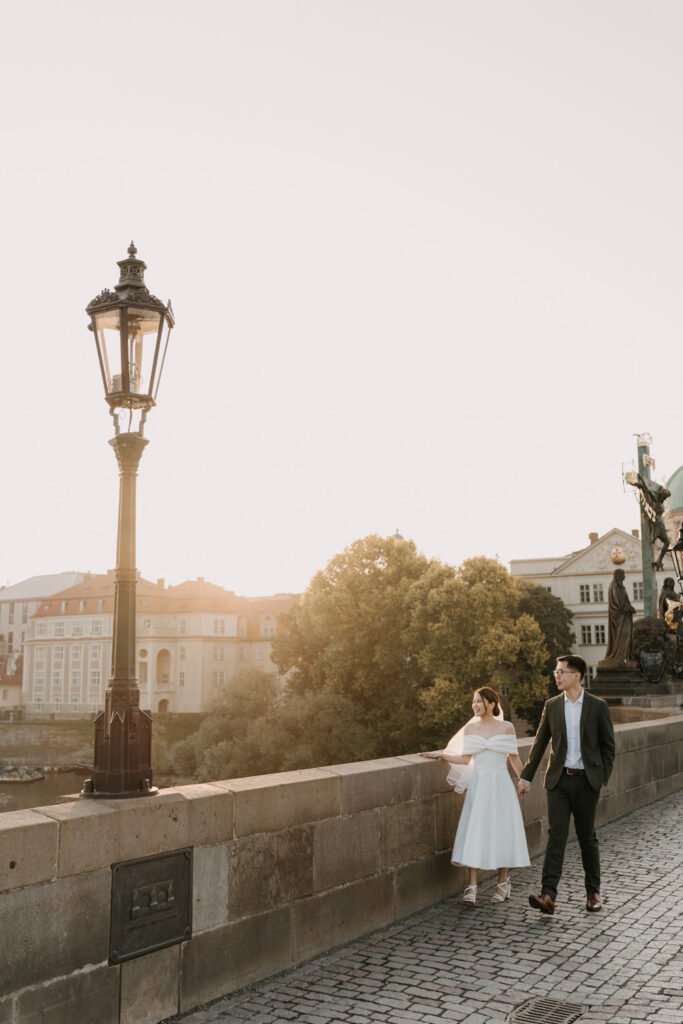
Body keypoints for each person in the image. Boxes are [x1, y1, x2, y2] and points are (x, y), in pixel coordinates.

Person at [518, 654, 616, 915]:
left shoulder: (597, 706)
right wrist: (526, 776)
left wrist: (600, 778)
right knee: (556, 836)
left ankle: (593, 893)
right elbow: (539, 744)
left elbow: (608, 747)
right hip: (559, 782)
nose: (556, 675)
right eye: (556, 671)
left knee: (587, 838)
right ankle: (548, 895)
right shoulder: (552, 706)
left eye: (561, 671)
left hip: (586, 782)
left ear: (577, 675)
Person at [421, 687, 530, 905]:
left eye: (479, 701)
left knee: (502, 832)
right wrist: (442, 754)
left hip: (500, 785)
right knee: (475, 831)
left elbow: (514, 758)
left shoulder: (507, 727)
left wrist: (524, 779)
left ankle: (502, 882)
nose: (475, 705)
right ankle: (472, 886)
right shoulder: (470, 729)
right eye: (473, 702)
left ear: (491, 703)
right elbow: (465, 760)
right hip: (479, 785)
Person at [604, 568, 635, 665]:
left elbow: (625, 601)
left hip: (625, 616)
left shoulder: (622, 587)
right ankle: (618, 657)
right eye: (623, 574)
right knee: (623, 635)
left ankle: (623, 657)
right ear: (618, 575)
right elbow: (617, 603)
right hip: (619, 617)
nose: (624, 576)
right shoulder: (614, 586)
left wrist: (629, 607)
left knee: (627, 635)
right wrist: (627, 608)